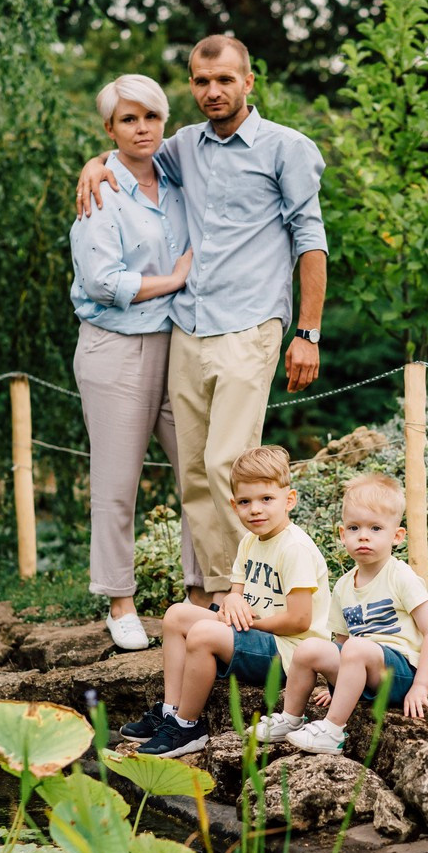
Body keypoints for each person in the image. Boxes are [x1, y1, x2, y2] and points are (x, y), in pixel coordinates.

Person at [75, 35, 328, 609]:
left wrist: (307, 333)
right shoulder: (181, 146)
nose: (213, 91)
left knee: (227, 466)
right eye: (201, 81)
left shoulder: (286, 148)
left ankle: (266, 603)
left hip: (250, 325)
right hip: (188, 326)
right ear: (191, 85)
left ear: (249, 81)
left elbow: (310, 240)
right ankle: (215, 597)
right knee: (192, 473)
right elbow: (126, 154)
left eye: (225, 80)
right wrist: (94, 164)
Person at [70, 74, 203, 651]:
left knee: (199, 472)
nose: (141, 127)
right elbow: (100, 280)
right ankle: (120, 602)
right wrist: (172, 279)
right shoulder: (100, 191)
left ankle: (203, 594)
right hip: (116, 348)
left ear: (164, 119)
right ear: (110, 129)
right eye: (127, 120)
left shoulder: (178, 175)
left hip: (179, 343)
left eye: (149, 116)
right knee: (118, 481)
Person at [118, 445, 331, 757]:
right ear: (234, 505)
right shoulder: (249, 542)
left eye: (266, 499)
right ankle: (170, 711)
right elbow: (236, 592)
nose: (255, 509)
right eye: (245, 502)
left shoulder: (294, 548)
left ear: (290, 500)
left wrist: (249, 622)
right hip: (256, 634)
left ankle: (188, 727)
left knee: (203, 635)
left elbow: (300, 620)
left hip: (290, 653)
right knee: (178, 615)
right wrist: (232, 602)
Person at [248, 474, 428, 755]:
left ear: (397, 536)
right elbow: (340, 643)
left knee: (357, 647)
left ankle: (333, 730)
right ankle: (291, 718)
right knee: (310, 648)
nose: (363, 535)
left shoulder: (400, 576)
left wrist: (421, 686)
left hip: (399, 674)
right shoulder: (343, 585)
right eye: (354, 527)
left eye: (376, 528)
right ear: (343, 534)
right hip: (361, 663)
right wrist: (339, 686)